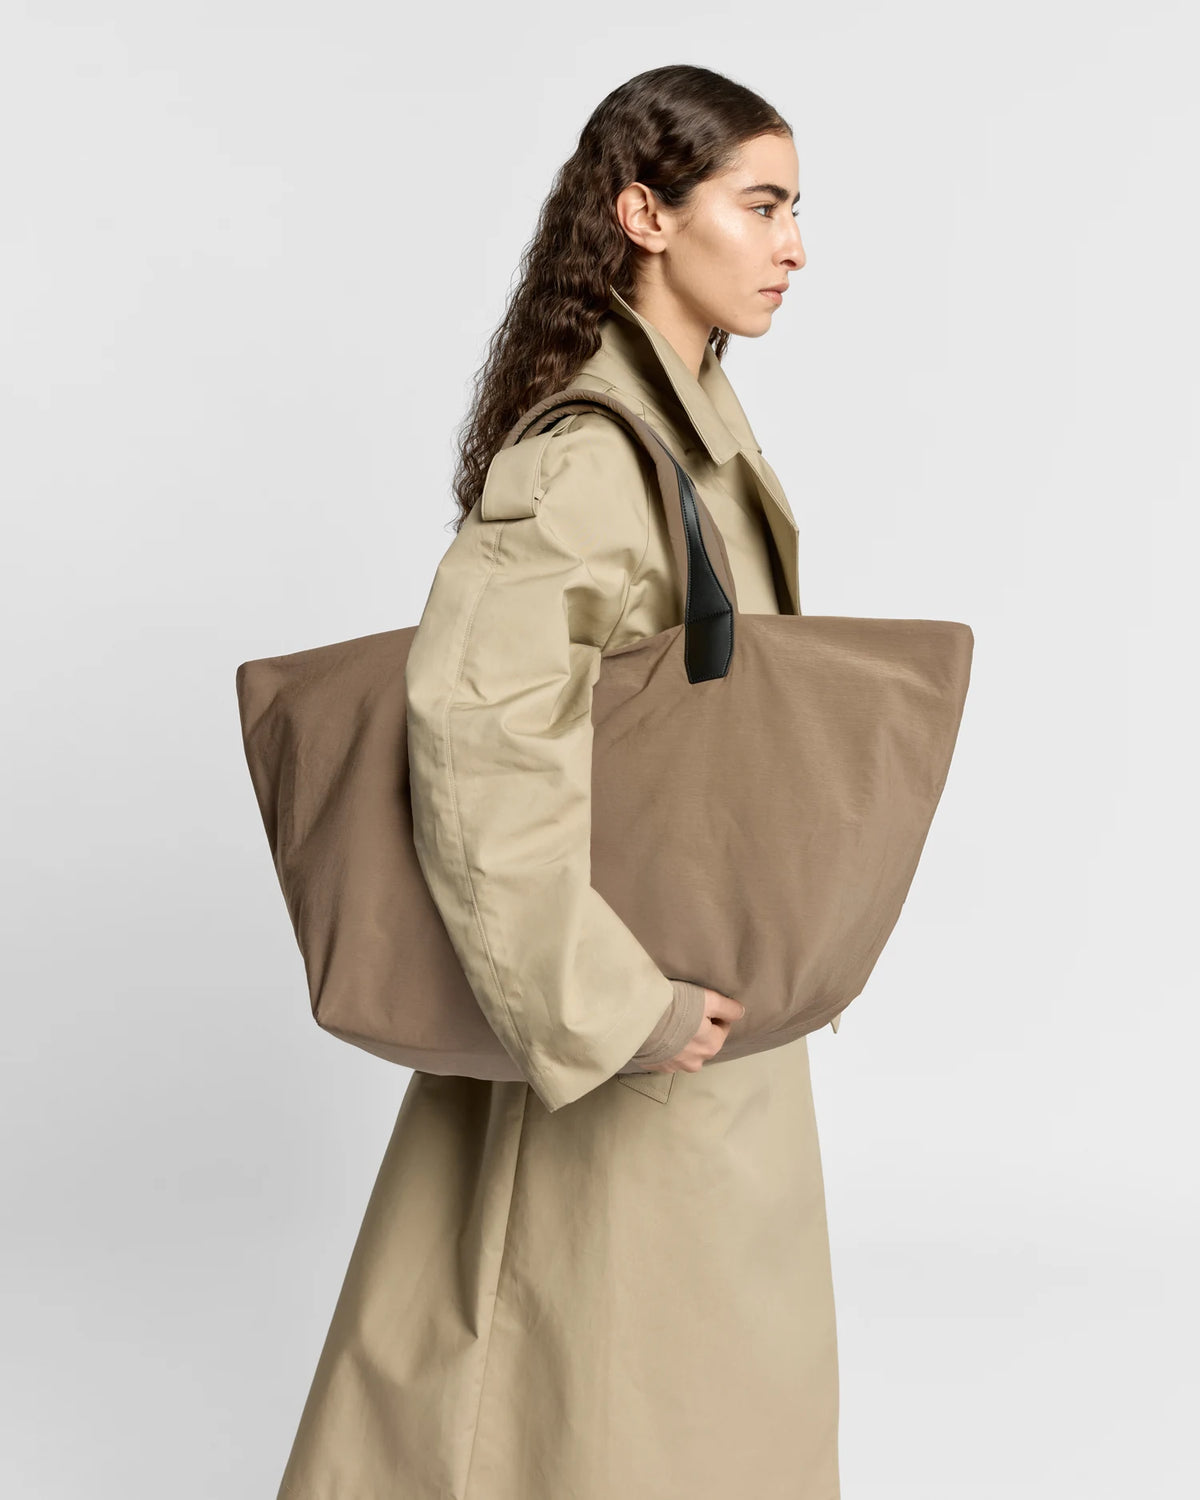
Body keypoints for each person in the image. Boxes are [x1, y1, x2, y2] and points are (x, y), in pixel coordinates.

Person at [276, 64, 841, 1500]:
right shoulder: (594, 459)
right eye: (761, 205)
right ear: (646, 213)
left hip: (688, 1024)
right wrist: (612, 1006)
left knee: (661, 1411)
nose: (792, 247)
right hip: (629, 1034)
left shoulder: (694, 443)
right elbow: (474, 746)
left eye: (796, 210)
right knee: (595, 1414)